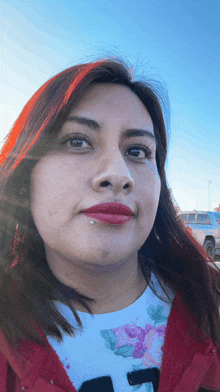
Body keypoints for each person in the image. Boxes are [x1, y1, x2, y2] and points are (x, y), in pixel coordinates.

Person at [0, 57, 220, 392]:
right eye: (78, 142)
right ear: (25, 176)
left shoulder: (210, 303)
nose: (118, 174)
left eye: (137, 150)